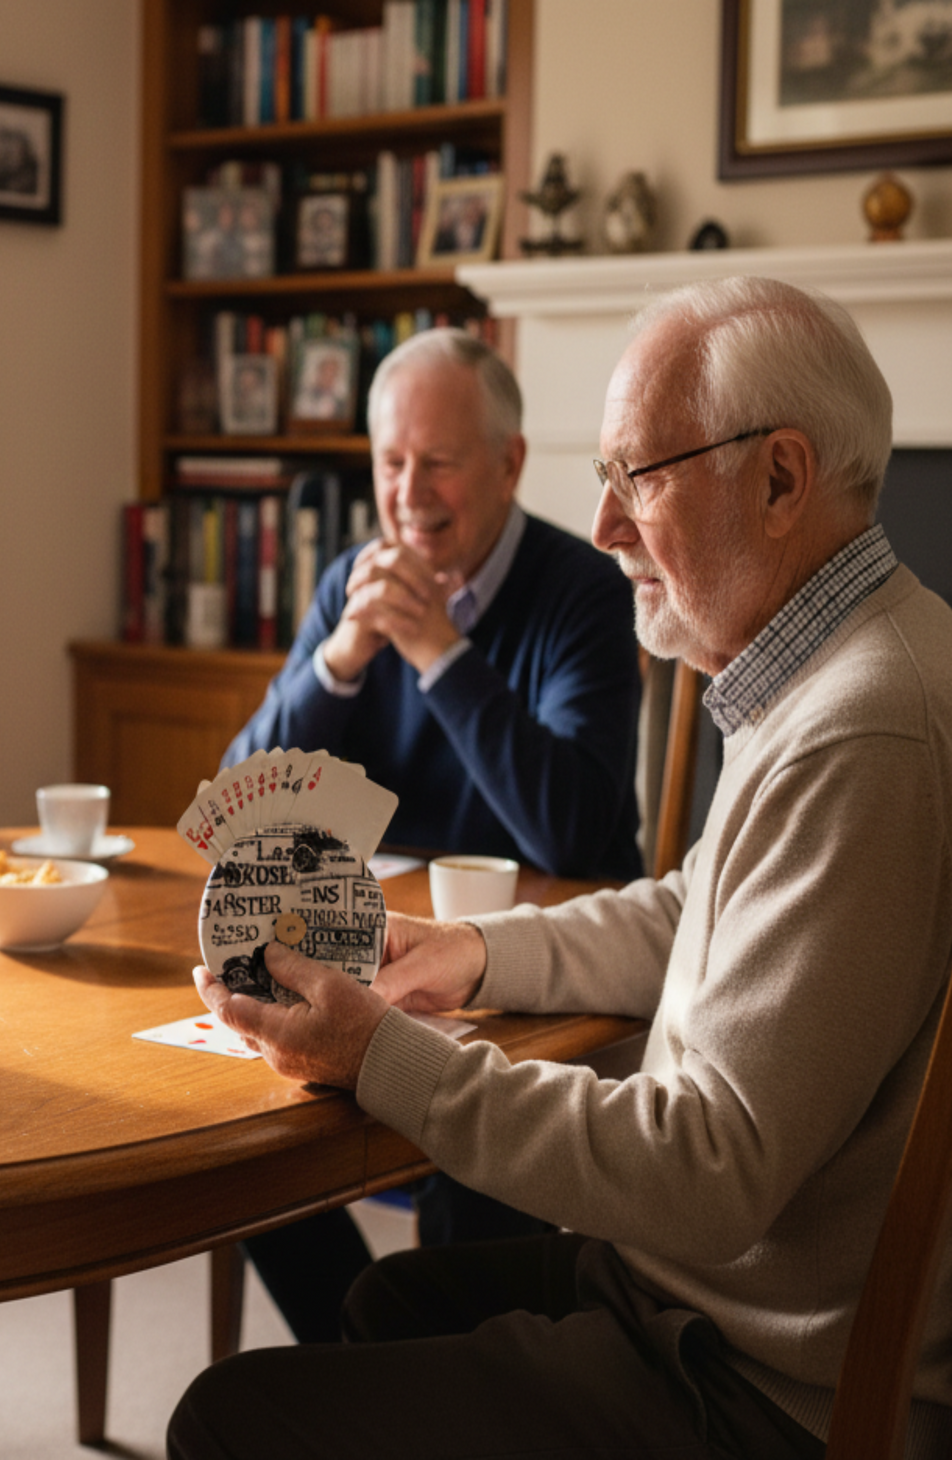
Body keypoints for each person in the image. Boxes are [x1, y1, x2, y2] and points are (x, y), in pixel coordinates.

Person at [171, 276, 952, 1459]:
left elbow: (704, 1168)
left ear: (779, 479)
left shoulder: (865, 730)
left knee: (225, 1416)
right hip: (731, 1303)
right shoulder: (846, 667)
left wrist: (379, 1054)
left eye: (638, 475)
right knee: (380, 1302)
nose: (603, 524)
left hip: (760, 1385)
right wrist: (471, 951)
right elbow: (696, 908)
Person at [225, 327, 643, 1338]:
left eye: (438, 462)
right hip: (374, 956)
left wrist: (439, 655)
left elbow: (575, 834)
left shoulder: (583, 592)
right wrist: (338, 660)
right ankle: (371, 1363)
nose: (408, 494)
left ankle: (419, 1375)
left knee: (474, 1174)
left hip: (531, 979)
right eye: (390, 463)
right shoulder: (350, 583)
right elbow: (245, 807)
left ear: (507, 462)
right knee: (237, 1138)